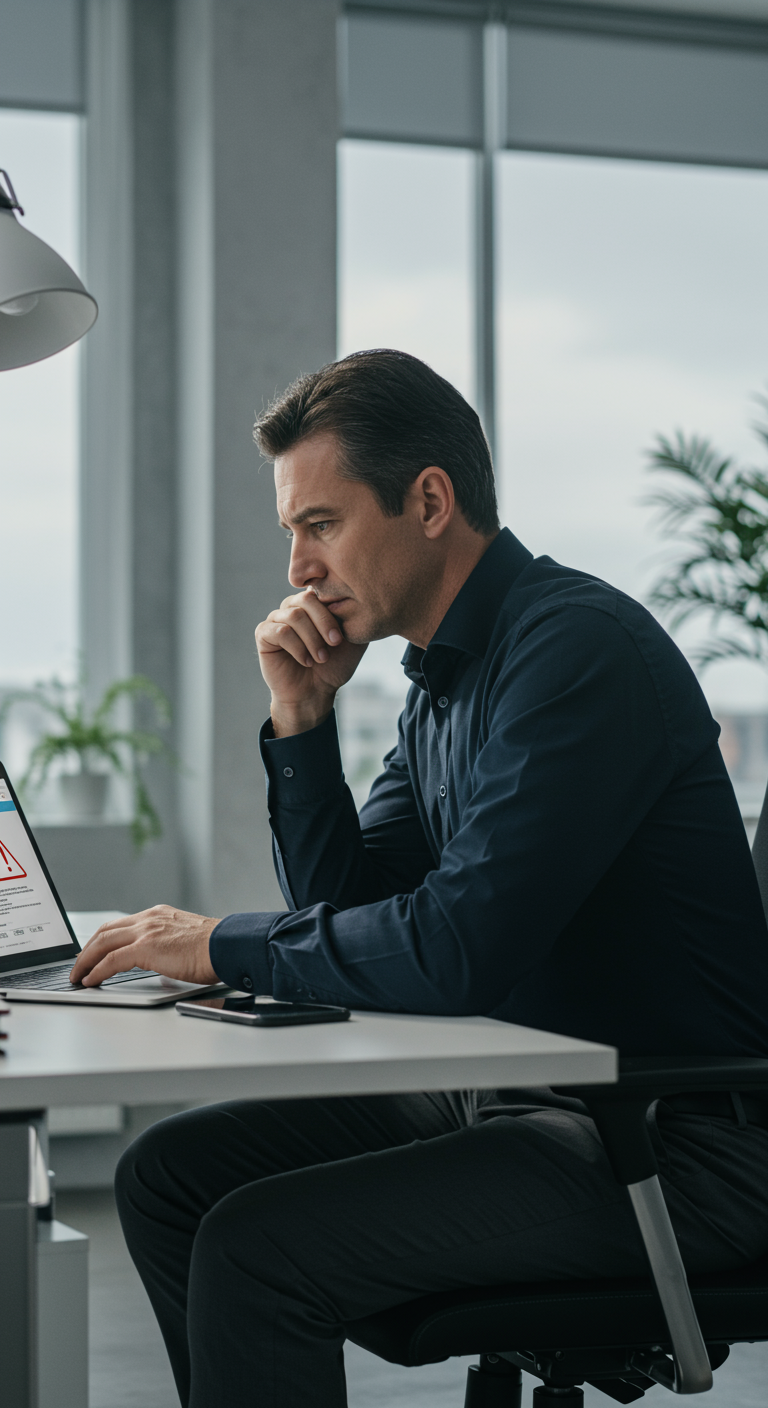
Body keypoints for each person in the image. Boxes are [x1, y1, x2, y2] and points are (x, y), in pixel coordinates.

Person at [70, 351, 768, 1408]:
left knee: (260, 1248)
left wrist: (214, 941)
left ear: (429, 500)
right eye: (293, 533)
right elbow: (351, 914)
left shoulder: (576, 653)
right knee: (167, 1180)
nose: (300, 568)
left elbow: (455, 947)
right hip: (526, 1095)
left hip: (669, 1143)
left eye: (321, 523)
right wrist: (301, 719)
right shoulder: (441, 684)